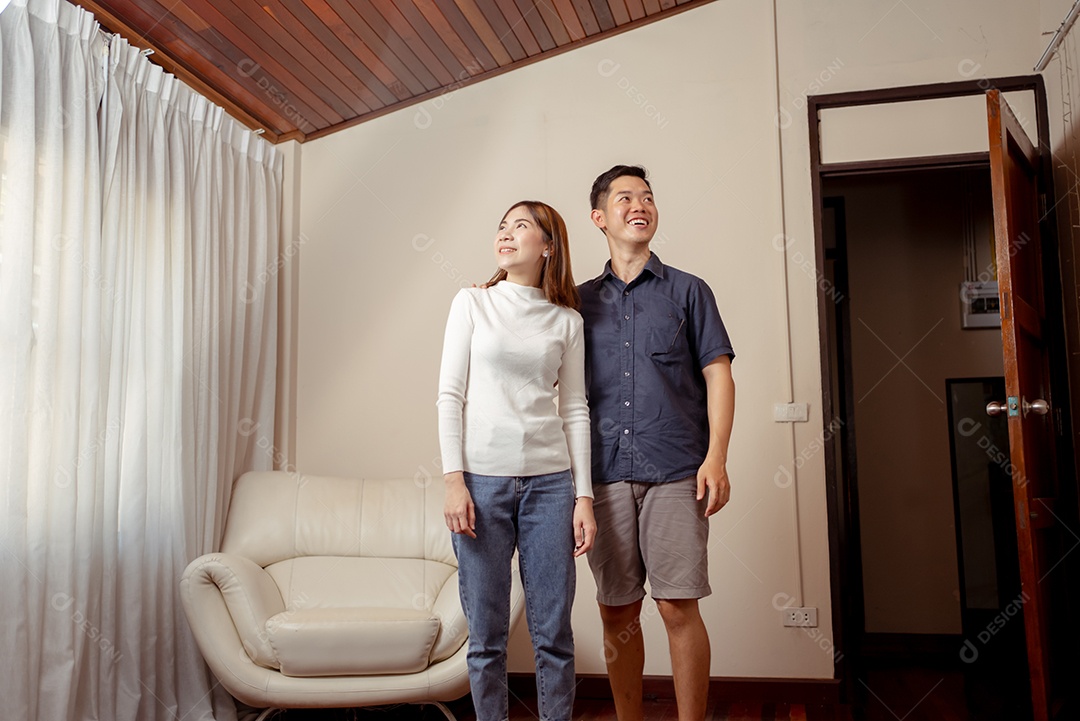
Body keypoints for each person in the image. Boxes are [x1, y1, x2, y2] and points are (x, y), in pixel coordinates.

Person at [578, 165, 736, 721]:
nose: (639, 205)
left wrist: (717, 456)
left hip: (676, 469)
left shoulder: (689, 291)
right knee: (616, 612)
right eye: (624, 198)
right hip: (602, 475)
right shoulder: (576, 303)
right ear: (599, 217)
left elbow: (719, 374)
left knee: (676, 605)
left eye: (646, 197)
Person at [437, 200, 597, 721]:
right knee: (486, 637)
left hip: (551, 486)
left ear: (548, 245)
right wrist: (454, 481)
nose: (505, 234)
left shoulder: (567, 320)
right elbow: (449, 396)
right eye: (502, 226)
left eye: (520, 226)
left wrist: (584, 497)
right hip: (481, 484)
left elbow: (574, 409)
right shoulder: (471, 302)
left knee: (554, 635)